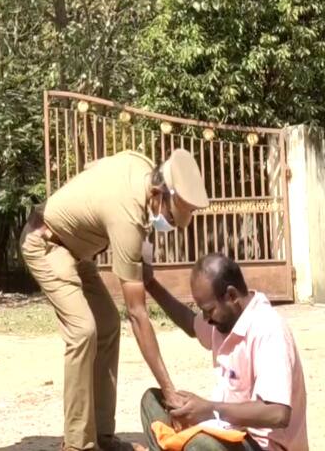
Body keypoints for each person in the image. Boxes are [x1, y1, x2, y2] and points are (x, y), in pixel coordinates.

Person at [20, 149, 209, 451]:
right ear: (158, 194)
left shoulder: (145, 171)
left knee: (107, 324)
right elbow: (137, 314)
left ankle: (102, 436)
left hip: (77, 250)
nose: (169, 225)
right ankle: (78, 444)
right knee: (83, 331)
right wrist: (169, 391)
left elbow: (91, 166)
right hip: (47, 243)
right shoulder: (127, 213)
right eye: (171, 217)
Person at [140, 253, 308, 450]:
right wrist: (150, 283)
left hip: (265, 446)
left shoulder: (269, 329)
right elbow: (190, 322)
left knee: (201, 445)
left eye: (209, 310)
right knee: (153, 402)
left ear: (231, 296)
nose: (206, 318)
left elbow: (278, 413)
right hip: (227, 430)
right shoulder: (224, 320)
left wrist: (210, 409)